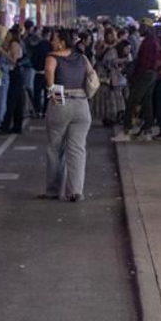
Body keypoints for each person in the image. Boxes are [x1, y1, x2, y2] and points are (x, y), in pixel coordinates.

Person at [42, 28, 93, 202]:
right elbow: (91, 75)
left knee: (55, 148)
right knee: (78, 149)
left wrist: (51, 88)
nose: (51, 42)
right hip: (82, 105)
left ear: (62, 42)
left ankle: (53, 190)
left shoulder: (52, 57)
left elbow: (49, 71)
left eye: (54, 39)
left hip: (61, 102)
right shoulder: (82, 57)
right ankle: (76, 191)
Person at [119, 24, 161, 142]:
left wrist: (136, 75)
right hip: (152, 74)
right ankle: (147, 130)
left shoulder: (148, 42)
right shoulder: (154, 41)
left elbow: (144, 61)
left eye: (143, 28)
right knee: (147, 101)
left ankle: (126, 129)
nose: (140, 30)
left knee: (132, 100)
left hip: (144, 74)